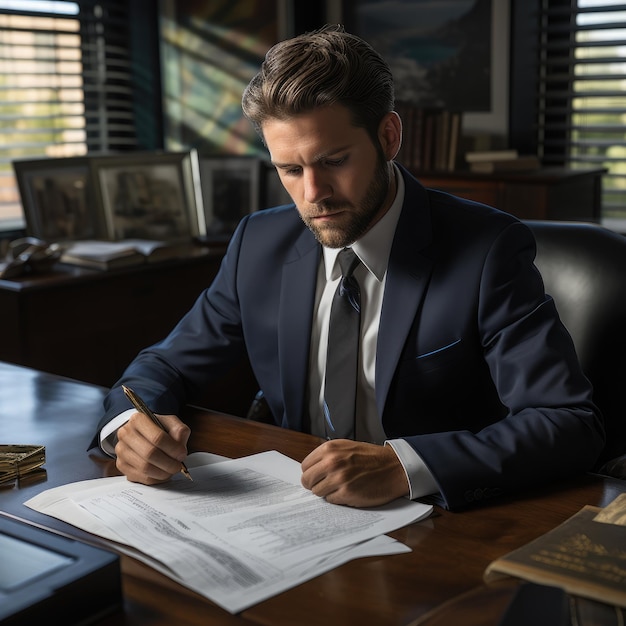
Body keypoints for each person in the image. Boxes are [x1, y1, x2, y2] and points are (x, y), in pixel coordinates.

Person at [91, 25, 605, 511]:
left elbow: (567, 422)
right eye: (290, 170)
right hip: (292, 511)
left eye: (334, 160)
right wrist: (130, 425)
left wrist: (407, 467)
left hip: (438, 521)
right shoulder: (258, 243)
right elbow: (166, 365)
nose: (313, 195)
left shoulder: (488, 250)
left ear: (388, 136)